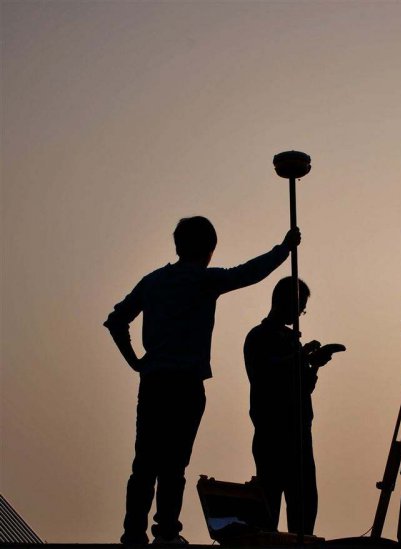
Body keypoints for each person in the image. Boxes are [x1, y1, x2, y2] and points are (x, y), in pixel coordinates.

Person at [104, 216, 300, 545]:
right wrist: (284, 249)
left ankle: (133, 534)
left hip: (153, 382)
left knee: (144, 463)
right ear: (209, 250)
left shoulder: (153, 282)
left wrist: (136, 362)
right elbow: (249, 272)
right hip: (186, 384)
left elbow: (116, 321)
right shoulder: (205, 281)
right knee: (173, 464)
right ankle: (167, 532)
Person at [244, 277, 344, 535]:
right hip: (272, 433)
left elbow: (303, 386)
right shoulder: (258, 337)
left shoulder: (292, 341)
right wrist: (300, 356)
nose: (300, 313)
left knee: (304, 506)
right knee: (268, 509)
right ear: (285, 302)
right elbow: (266, 374)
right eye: (300, 306)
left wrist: (314, 365)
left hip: (299, 434)